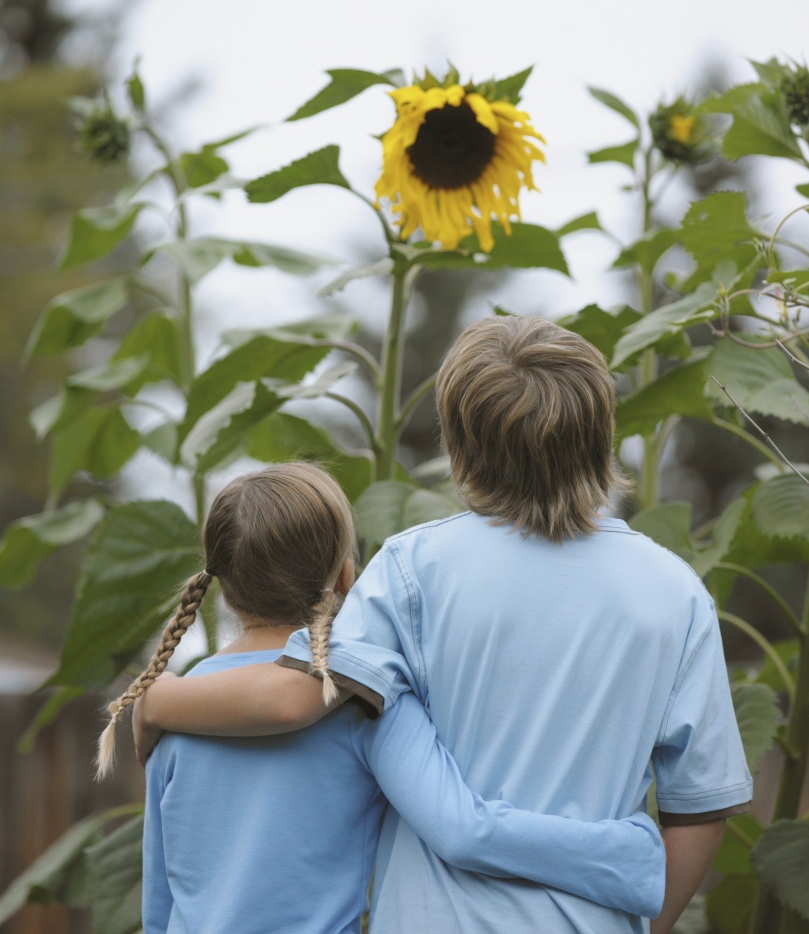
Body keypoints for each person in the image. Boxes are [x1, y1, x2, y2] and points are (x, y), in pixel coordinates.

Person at [134, 317, 753, 934]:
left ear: (459, 446)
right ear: (601, 435)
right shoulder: (676, 593)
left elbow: (294, 697)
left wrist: (155, 700)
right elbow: (699, 811)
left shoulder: (412, 571)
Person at [110, 462, 666, 934]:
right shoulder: (359, 701)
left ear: (222, 585)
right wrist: (625, 858)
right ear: (346, 576)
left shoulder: (176, 707)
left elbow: (160, 901)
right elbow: (464, 827)